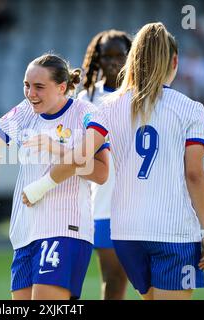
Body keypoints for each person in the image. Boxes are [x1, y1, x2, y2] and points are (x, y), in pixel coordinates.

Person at [23, 23, 204, 300]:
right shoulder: (190, 108)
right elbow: (195, 174)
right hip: (174, 231)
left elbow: (80, 156)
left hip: (126, 232)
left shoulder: (109, 106)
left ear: (133, 59)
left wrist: (42, 183)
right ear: (174, 61)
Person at [0, 53, 110, 300]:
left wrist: (56, 149)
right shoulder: (24, 112)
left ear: (62, 87)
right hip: (25, 232)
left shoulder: (85, 113)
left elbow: (101, 173)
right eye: (27, 85)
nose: (30, 93)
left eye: (39, 87)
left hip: (64, 228)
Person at [77, 29, 131, 300]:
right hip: (103, 202)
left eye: (119, 55)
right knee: (113, 278)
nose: (113, 62)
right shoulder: (86, 99)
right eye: (106, 56)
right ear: (97, 60)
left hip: (139, 200)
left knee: (147, 282)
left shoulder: (141, 94)